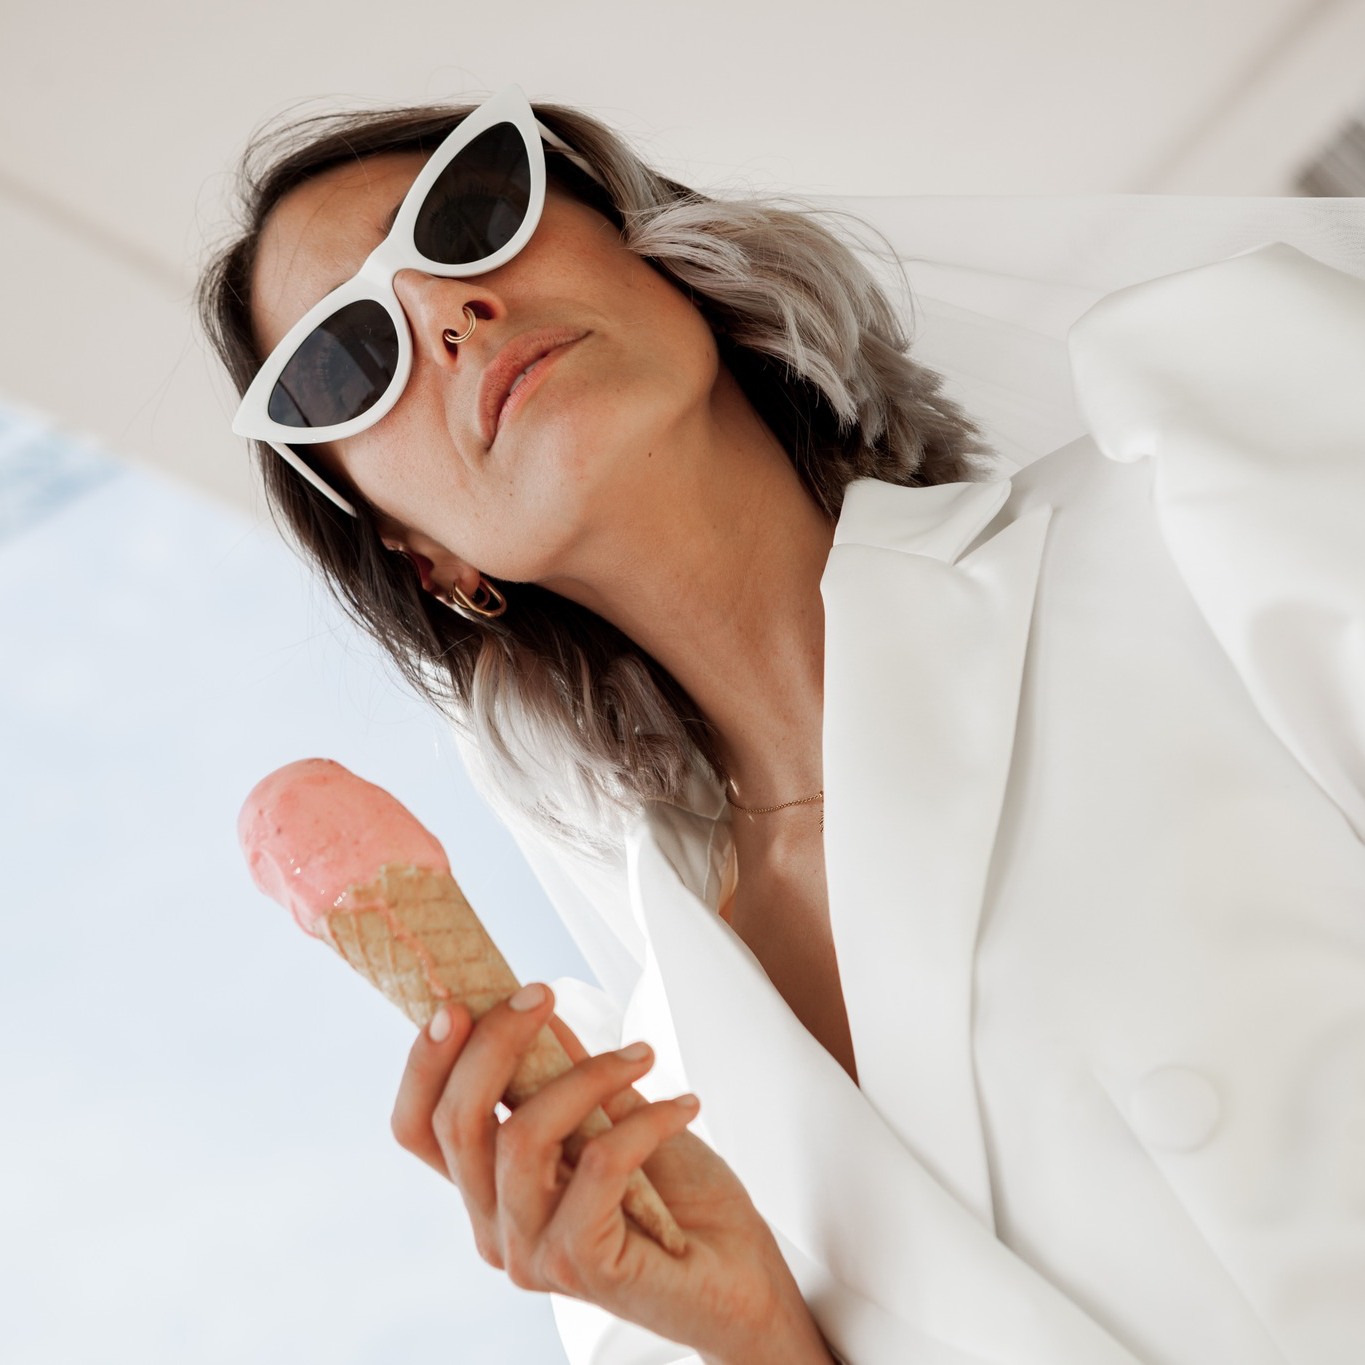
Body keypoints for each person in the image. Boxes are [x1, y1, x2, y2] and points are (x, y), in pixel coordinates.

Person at [200, 85, 1365, 1365]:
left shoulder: (1217, 480)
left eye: (472, 212)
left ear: (658, 249)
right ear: (424, 556)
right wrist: (758, 1336)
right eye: (342, 360)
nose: (443, 311)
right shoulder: (628, 1172)